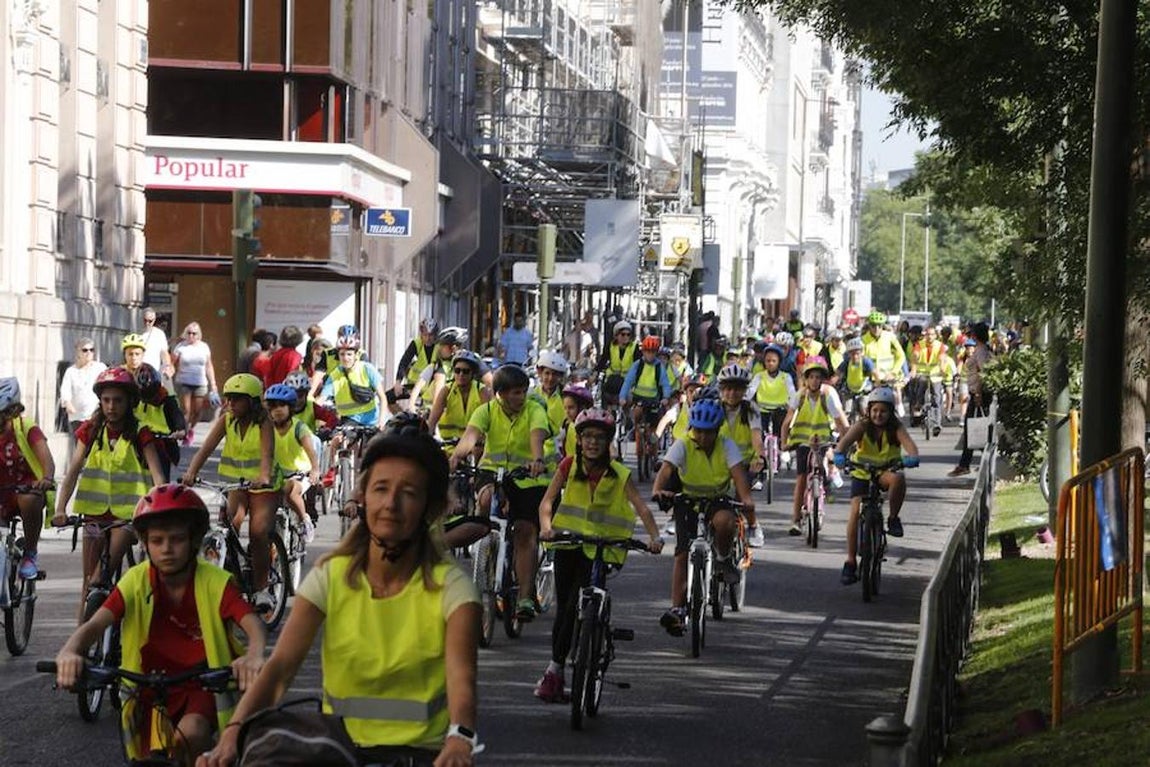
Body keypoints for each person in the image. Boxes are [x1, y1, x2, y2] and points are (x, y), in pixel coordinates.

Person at [197, 431, 481, 767]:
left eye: (408, 493)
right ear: (363, 498)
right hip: (338, 750)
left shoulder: (453, 588)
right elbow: (280, 668)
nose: (391, 503)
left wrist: (460, 738)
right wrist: (231, 734)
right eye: (380, 489)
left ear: (430, 508)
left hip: (421, 755)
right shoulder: (331, 576)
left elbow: (462, 681)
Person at [55, 484, 266, 766]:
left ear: (194, 540)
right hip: (146, 687)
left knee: (189, 736)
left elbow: (253, 624)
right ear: (145, 542)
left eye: (177, 539)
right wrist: (70, 651)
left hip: (201, 685)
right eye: (157, 540)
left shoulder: (214, 582)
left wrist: (253, 656)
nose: (167, 549)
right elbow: (96, 625)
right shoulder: (135, 580)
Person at [534, 408, 663, 702]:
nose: (592, 442)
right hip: (569, 544)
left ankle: (594, 636)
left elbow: (641, 508)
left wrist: (654, 537)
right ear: (578, 440)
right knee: (565, 608)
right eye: (587, 437)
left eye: (599, 437)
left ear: (608, 442)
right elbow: (547, 503)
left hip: (602, 547)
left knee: (585, 602)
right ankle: (555, 669)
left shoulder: (619, 473)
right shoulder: (568, 465)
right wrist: (546, 527)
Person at [53, 367, 167, 621]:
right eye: (106, 400)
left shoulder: (141, 432)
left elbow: (158, 477)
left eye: (118, 400)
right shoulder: (90, 430)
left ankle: (108, 623)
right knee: (87, 580)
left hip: (127, 518)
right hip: (93, 516)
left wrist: (157, 510)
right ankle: (80, 643)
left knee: (100, 576)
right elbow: (73, 471)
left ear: (129, 402)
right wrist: (60, 509)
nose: (111, 406)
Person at [448, 364, 550, 620]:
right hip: (492, 472)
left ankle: (525, 596)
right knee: (483, 498)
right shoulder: (486, 411)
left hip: (527, 478)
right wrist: (456, 457)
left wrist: (537, 459)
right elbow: (470, 437)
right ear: (500, 394)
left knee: (526, 532)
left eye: (523, 391)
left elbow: (537, 436)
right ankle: (486, 544)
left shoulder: (534, 409)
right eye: (515, 392)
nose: (521, 397)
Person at [652, 398, 755, 636]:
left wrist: (746, 498)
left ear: (717, 430)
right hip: (687, 498)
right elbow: (666, 469)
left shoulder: (726, 445)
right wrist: (658, 490)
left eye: (708, 432)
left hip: (717, 498)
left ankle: (722, 556)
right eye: (697, 430)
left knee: (725, 522)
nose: (702, 436)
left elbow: (738, 476)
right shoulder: (683, 444)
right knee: (681, 552)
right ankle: (677, 608)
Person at [182, 374, 281, 610]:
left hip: (263, 485)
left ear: (253, 401)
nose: (230, 404)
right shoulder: (226, 420)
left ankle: (262, 589)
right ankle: (227, 578)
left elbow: (266, 454)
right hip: (235, 483)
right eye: (228, 399)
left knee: (258, 531)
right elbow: (205, 448)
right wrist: (191, 473)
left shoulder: (264, 422)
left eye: (237, 399)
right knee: (229, 524)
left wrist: (264, 476)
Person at [834, 388, 920, 584]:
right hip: (861, 472)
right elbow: (844, 443)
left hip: (884, 472)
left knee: (898, 479)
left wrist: (912, 458)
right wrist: (839, 456)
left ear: (890, 412)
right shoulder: (862, 426)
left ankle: (893, 518)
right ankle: (850, 561)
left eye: (883, 411)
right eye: (874, 410)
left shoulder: (896, 428)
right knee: (855, 512)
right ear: (868, 410)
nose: (878, 415)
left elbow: (911, 447)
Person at [780, 357, 850, 536]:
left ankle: (828, 478)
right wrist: (784, 443)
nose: (815, 381)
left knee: (825, 463)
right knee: (801, 479)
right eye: (811, 377)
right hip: (803, 441)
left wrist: (845, 444)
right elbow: (787, 421)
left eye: (818, 377)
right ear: (806, 379)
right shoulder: (800, 395)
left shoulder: (829, 394)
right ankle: (796, 519)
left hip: (824, 439)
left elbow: (841, 421)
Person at [0, 377, 55, 578]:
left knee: (29, 498)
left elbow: (46, 459)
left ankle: (30, 553)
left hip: (25, 491)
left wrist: (47, 478)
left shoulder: (25, 427)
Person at [713, 364, 765, 546]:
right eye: (727, 388)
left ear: (744, 391)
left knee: (744, 501)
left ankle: (753, 525)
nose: (732, 393)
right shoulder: (714, 408)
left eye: (737, 388)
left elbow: (756, 437)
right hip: (718, 465)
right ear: (721, 390)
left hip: (744, 465)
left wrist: (759, 458)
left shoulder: (750, 409)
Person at [264, 384, 320, 542]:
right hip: (277, 476)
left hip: (301, 474)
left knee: (292, 491)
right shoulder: (267, 429)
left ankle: (305, 520)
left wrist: (315, 470)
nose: (278, 409)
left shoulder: (299, 428)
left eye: (282, 405)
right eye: (273, 406)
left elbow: (311, 452)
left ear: (291, 407)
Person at [317, 330, 389, 427]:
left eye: (349, 354)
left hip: (372, 420)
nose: (346, 358)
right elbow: (321, 399)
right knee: (341, 440)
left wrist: (382, 421)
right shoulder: (335, 374)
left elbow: (382, 397)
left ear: (356, 355)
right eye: (342, 354)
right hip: (349, 420)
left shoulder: (367, 369)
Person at [949, 323, 994, 477]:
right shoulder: (982, 350)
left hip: (979, 395)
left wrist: (978, 394)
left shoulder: (981, 352)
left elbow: (983, 373)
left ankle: (976, 462)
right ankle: (967, 463)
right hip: (977, 393)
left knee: (975, 428)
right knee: (972, 429)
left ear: (975, 336)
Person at [427, 350, 489, 455]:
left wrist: (483, 440)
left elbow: (488, 422)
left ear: (472, 374)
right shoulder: (446, 391)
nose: (461, 374)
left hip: (474, 447)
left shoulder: (481, 391)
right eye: (457, 370)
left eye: (465, 371)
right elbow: (432, 422)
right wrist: (427, 439)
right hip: (449, 447)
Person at [134, 363, 187, 483]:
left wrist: (180, 430)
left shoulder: (167, 399)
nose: (150, 400)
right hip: (139, 443)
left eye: (152, 396)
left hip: (161, 445)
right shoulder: (134, 401)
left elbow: (176, 414)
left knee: (161, 479)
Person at [172, 322, 219, 446]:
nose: (191, 335)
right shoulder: (180, 347)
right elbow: (172, 363)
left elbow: (209, 366)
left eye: (194, 333)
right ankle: (185, 432)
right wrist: (168, 373)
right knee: (186, 410)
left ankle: (190, 429)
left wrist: (213, 384)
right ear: (185, 333)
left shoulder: (204, 347)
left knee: (197, 411)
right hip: (183, 381)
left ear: (199, 335)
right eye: (189, 333)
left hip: (200, 382)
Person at [619, 336, 674, 441]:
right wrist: (622, 396)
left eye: (652, 352)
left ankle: (653, 445)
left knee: (654, 424)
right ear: (643, 351)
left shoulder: (659, 367)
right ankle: (634, 428)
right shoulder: (637, 365)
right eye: (647, 351)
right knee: (636, 413)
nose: (650, 354)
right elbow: (628, 382)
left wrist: (666, 397)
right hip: (638, 397)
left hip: (653, 399)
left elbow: (665, 384)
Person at [59, 337, 106, 454]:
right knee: (81, 449)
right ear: (78, 352)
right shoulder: (71, 371)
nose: (89, 353)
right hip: (78, 418)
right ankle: (82, 471)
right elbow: (65, 391)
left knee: (96, 447)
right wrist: (68, 404)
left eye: (92, 350)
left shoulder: (100, 368)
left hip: (96, 415)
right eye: (85, 350)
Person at [861, 312, 908, 416]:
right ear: (869, 326)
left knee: (892, 398)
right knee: (866, 406)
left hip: (888, 377)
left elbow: (901, 356)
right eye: (873, 326)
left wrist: (894, 372)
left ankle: (898, 405)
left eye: (879, 326)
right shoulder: (863, 340)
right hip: (871, 378)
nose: (876, 328)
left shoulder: (890, 337)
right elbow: (861, 360)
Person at [832, 337, 878, 421]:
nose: (855, 356)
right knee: (846, 411)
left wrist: (879, 383)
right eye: (852, 354)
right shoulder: (846, 362)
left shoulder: (866, 362)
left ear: (861, 352)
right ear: (848, 354)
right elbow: (838, 373)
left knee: (864, 409)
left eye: (857, 353)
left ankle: (868, 427)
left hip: (864, 389)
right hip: (849, 389)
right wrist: (832, 382)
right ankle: (846, 429)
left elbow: (875, 372)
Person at [595, 320, 638, 407]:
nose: (626, 337)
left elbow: (639, 364)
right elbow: (603, 361)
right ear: (616, 335)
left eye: (628, 334)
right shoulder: (610, 346)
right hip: (612, 380)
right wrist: (595, 372)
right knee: (605, 397)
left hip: (627, 381)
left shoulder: (634, 347)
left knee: (629, 402)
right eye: (623, 334)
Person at [395, 317, 440, 399]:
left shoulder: (439, 346)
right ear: (421, 334)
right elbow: (404, 362)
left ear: (435, 335)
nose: (428, 338)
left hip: (431, 387)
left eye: (430, 335)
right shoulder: (416, 344)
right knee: (389, 397)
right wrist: (398, 382)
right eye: (425, 335)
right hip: (414, 385)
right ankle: (401, 412)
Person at [558, 383, 596, 458]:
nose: (567, 412)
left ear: (583, 407)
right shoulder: (567, 425)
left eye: (571, 408)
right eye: (565, 408)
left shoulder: (590, 429)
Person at [140, 307, 174, 378]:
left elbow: (164, 353)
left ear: (154, 320)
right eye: (145, 320)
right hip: (137, 371)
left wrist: (167, 366)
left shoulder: (159, 334)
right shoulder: (136, 332)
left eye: (150, 321)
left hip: (153, 372)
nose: (147, 323)